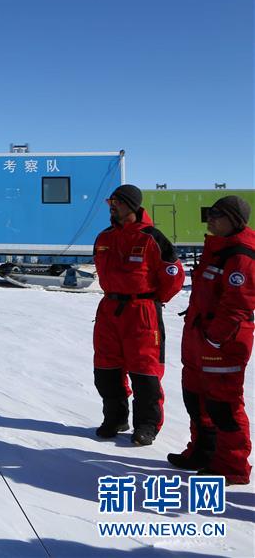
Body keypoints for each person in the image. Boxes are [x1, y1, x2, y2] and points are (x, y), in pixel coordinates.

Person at [168, 195, 254, 484]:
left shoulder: (241, 255)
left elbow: (238, 305)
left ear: (235, 220)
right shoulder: (216, 248)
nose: (211, 218)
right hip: (198, 338)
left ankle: (232, 466)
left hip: (223, 342)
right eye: (210, 213)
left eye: (218, 214)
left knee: (223, 405)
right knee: (196, 399)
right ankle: (203, 452)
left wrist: (215, 339)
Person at [93, 184, 185, 445]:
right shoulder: (104, 238)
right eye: (110, 201)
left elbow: (174, 275)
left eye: (117, 201)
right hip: (110, 309)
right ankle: (115, 418)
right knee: (105, 368)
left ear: (131, 205)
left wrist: (153, 300)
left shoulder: (152, 237)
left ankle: (146, 425)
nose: (112, 206)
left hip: (142, 312)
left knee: (145, 370)